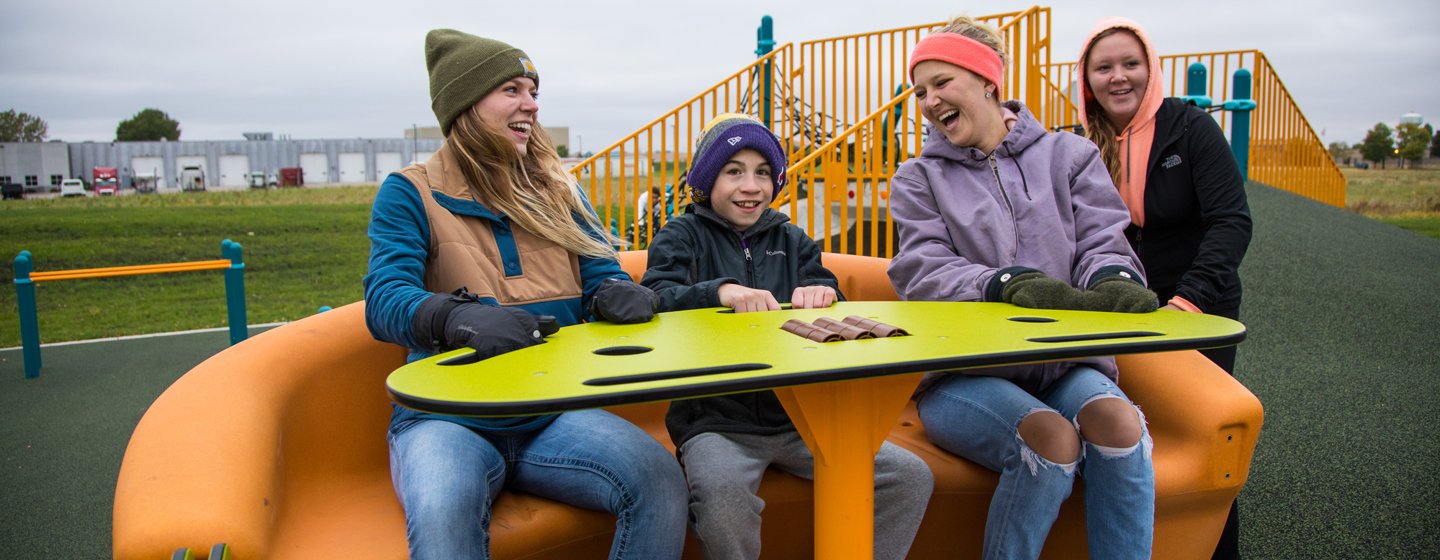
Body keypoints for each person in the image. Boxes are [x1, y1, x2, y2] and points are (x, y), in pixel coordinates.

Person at [361, 29, 688, 559]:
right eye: (512, 89)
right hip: (448, 418)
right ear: (466, 103)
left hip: (553, 410)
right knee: (444, 511)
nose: (531, 105)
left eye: (534, 91)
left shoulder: (561, 188)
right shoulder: (410, 191)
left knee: (659, 481)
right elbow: (385, 298)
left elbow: (600, 269)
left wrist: (611, 293)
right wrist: (455, 319)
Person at [887, 17, 1159, 559]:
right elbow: (922, 268)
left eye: (942, 82)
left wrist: (1113, 277)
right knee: (1049, 439)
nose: (928, 100)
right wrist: (1000, 282)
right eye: (920, 91)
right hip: (965, 375)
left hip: (1065, 363)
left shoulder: (1070, 156)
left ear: (988, 81)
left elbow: (1103, 240)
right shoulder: (918, 179)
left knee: (1120, 423)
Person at [641, 113, 933, 560]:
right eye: (733, 171)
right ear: (706, 180)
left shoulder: (792, 238)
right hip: (717, 421)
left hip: (804, 417)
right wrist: (719, 291)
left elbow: (829, 290)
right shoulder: (681, 235)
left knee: (910, 476)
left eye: (763, 173)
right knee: (722, 501)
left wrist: (825, 293)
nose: (751, 186)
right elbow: (656, 297)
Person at [1077, 17, 1254, 559]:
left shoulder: (1189, 128)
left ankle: (1217, 551)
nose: (1118, 77)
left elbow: (1232, 220)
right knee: (1130, 436)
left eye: (1130, 64)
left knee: (1199, 436)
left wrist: (1189, 299)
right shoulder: (1087, 141)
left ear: (1151, 69)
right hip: (1130, 308)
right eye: (1103, 67)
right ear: (1087, 79)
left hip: (1197, 302)